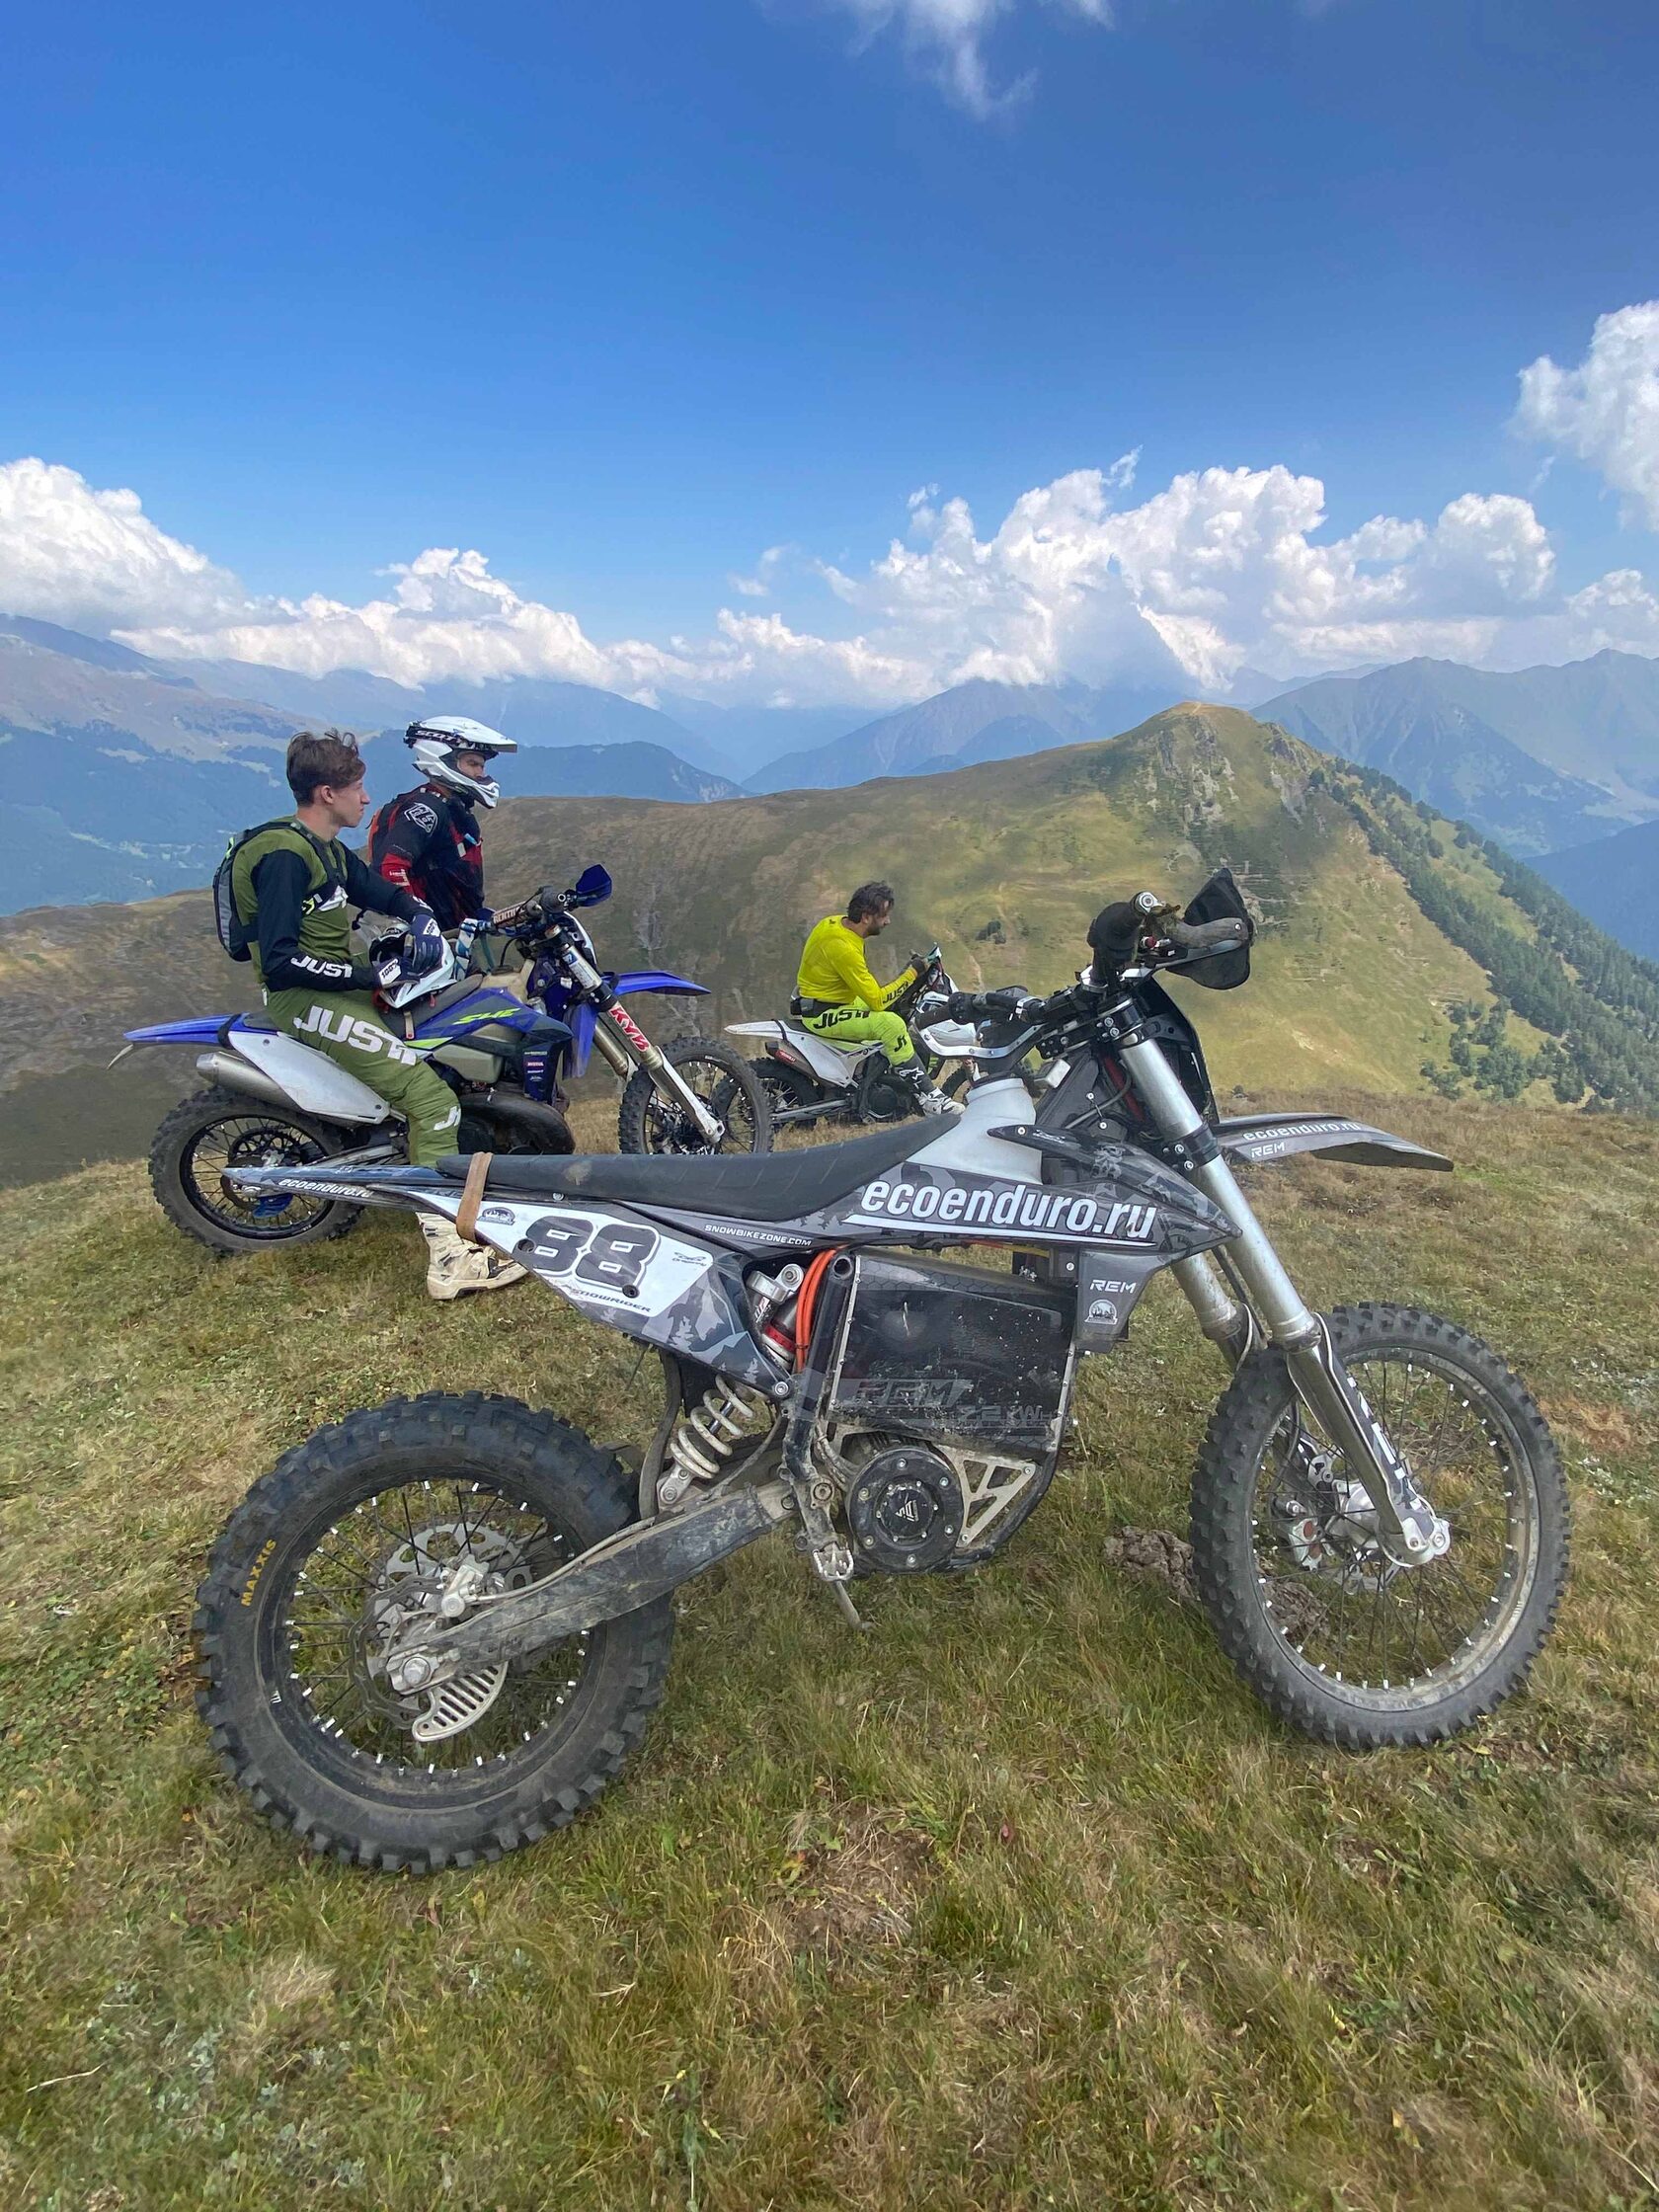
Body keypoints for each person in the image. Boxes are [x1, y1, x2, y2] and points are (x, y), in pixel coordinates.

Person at [230, 729, 526, 1301]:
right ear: (326, 794)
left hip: (339, 992)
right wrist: (370, 975)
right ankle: (450, 1260)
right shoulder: (285, 858)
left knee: (442, 1054)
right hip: (306, 1001)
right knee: (431, 1101)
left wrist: (418, 916)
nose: (366, 799)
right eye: (356, 788)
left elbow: (379, 890)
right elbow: (282, 962)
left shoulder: (324, 848)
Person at [793, 880, 956, 1115]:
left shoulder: (833, 923)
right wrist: (912, 973)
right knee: (891, 1024)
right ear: (866, 917)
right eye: (883, 916)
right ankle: (929, 1098)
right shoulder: (844, 948)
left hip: (830, 1001)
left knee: (892, 1009)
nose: (887, 921)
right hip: (824, 1013)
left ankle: (877, 1074)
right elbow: (877, 1001)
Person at [365, 716, 519, 932]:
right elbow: (390, 867)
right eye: (472, 764)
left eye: (482, 766)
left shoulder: (452, 808)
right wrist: (417, 919)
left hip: (452, 932)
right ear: (442, 758)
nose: (480, 773)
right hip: (430, 939)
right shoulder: (427, 809)